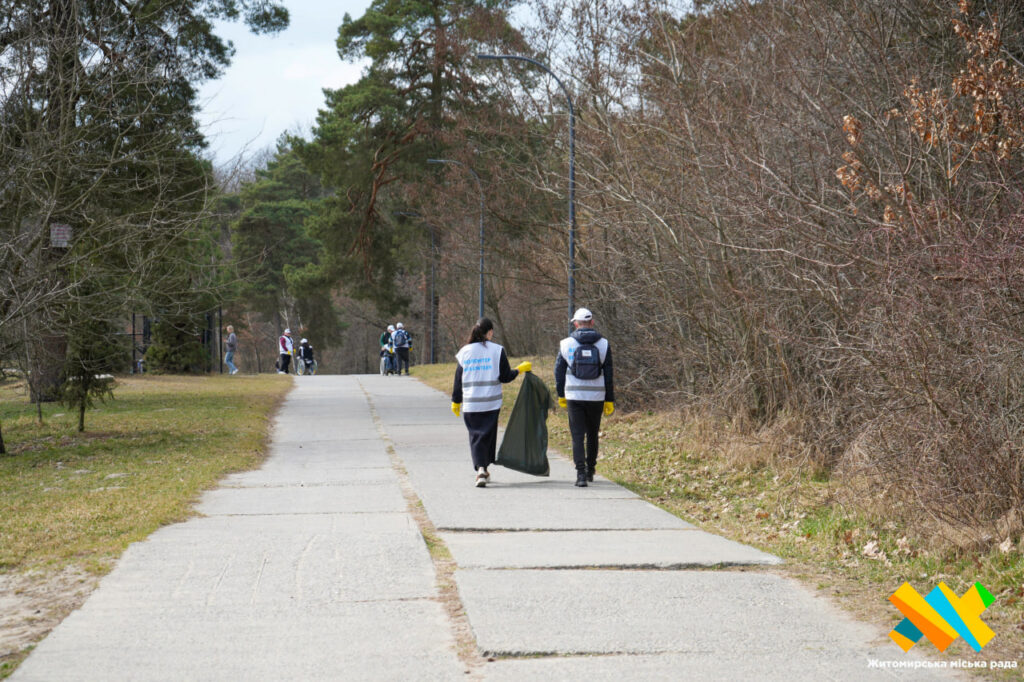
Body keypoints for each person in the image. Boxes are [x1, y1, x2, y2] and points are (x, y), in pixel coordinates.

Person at [451, 318, 531, 487]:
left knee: (476, 437)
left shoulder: (465, 351)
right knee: (487, 436)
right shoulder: (497, 350)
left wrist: (456, 401)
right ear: (490, 332)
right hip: (491, 403)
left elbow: (458, 378)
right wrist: (519, 369)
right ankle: (483, 468)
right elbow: (505, 377)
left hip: (471, 403)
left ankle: (481, 469)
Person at [555, 308, 615, 487]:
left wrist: (561, 394)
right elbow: (609, 374)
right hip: (596, 396)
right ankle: (590, 470)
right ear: (592, 322)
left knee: (577, 435)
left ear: (575, 324)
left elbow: (558, 371)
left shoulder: (566, 344)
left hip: (574, 396)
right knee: (592, 435)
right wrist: (609, 399)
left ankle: (580, 474)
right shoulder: (604, 344)